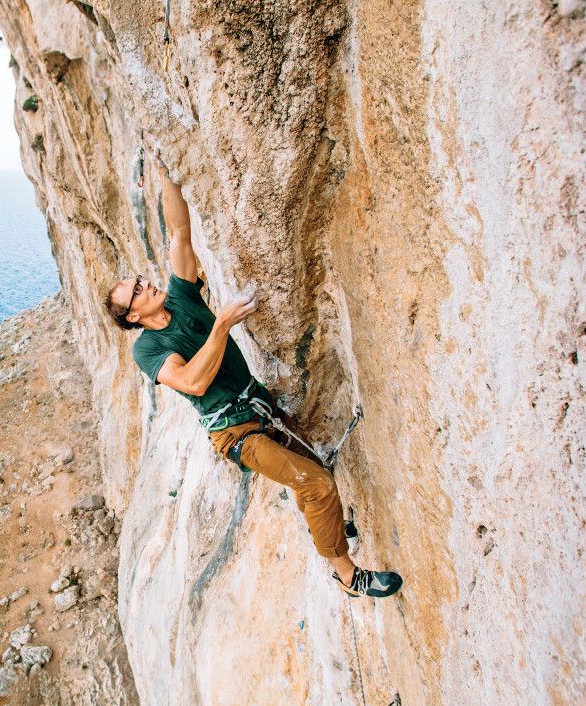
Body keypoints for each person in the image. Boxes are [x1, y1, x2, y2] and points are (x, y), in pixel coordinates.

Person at [103, 160, 402, 598]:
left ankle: (332, 528)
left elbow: (179, 235)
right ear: (133, 316)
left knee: (312, 469)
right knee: (317, 484)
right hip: (236, 432)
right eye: (138, 291)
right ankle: (347, 575)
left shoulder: (181, 296)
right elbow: (192, 383)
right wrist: (221, 325)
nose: (147, 284)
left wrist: (167, 174)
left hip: (257, 403)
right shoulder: (147, 350)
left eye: (142, 280)